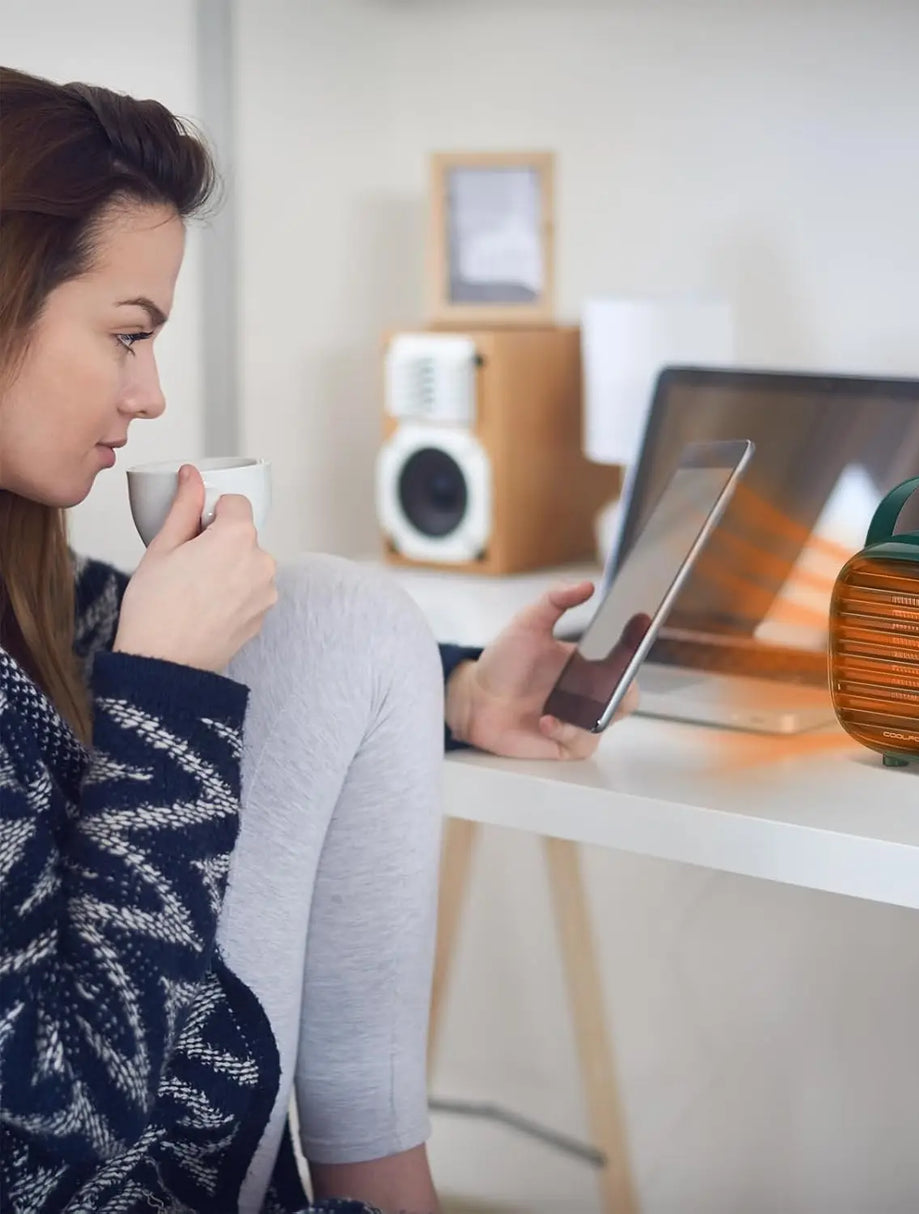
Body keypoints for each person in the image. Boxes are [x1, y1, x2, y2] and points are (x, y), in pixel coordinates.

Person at [0, 66, 632, 1214]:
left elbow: (78, 627)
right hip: (87, 1160)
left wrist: (458, 693)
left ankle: (385, 1182)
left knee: (343, 613)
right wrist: (160, 692)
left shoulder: (22, 570)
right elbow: (54, 1146)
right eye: (126, 335)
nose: (148, 396)